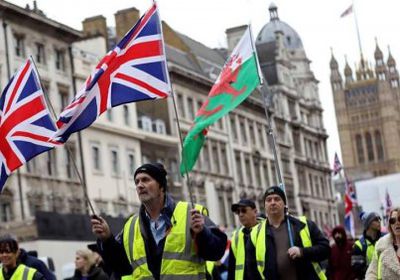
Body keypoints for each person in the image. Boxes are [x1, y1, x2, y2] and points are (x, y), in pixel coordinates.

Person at [91, 162, 227, 279]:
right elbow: (120, 267)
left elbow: (216, 252)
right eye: (137, 181)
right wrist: (107, 239)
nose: (140, 185)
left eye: (146, 180)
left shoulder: (190, 212)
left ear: (161, 186)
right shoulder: (131, 226)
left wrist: (202, 233)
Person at [251, 186, 330, 279]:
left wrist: (302, 252)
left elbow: (325, 249)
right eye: (268, 200)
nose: (272, 202)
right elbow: (251, 270)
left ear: (284, 204)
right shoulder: (255, 233)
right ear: (264, 205)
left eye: (277, 199)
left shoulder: (303, 225)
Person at [227, 199, 262, 280]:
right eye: (238, 212)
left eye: (243, 210)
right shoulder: (236, 236)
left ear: (255, 212)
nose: (240, 214)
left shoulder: (266, 230)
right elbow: (232, 268)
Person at [366, 207, 400, 279]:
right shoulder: (381, 246)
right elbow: (372, 273)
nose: (397, 223)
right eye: (392, 220)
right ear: (390, 224)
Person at [352, 212, 383, 279]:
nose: (379, 221)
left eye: (379, 219)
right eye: (376, 219)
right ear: (368, 224)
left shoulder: (385, 239)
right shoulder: (358, 245)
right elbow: (357, 269)